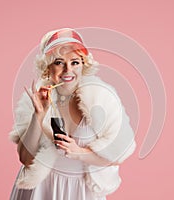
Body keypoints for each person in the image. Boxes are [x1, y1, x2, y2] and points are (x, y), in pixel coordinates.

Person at [9, 28, 136, 200]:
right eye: (59, 62)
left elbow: (116, 155)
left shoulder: (102, 99)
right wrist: (38, 115)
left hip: (82, 192)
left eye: (75, 62)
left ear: (83, 65)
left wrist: (78, 152)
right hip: (40, 191)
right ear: (48, 67)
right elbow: (25, 159)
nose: (68, 70)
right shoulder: (36, 99)